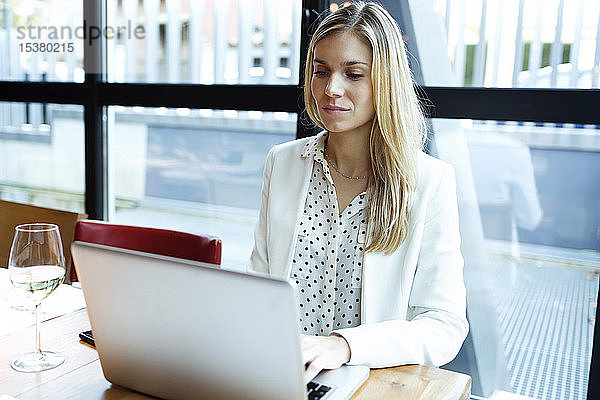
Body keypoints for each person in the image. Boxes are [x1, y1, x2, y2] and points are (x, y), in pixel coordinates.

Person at [249, 1, 468, 383]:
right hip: (278, 374)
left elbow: (444, 326)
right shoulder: (282, 163)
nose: (331, 89)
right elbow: (257, 289)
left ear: (385, 81)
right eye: (321, 71)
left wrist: (344, 345)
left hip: (365, 382)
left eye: (353, 74)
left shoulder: (429, 182)